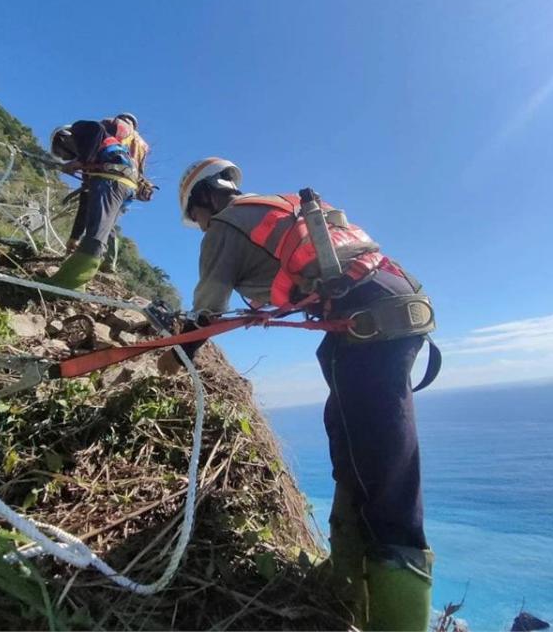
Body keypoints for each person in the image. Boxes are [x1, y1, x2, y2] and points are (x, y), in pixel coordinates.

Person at [157, 157, 437, 632]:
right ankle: (348, 585)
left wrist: (174, 355)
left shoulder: (224, 226)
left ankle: (395, 617)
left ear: (204, 198)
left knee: (387, 480)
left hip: (371, 327)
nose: (199, 225)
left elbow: (208, 311)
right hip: (386, 314)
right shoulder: (283, 211)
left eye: (195, 214)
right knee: (349, 444)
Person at [45, 113, 150, 290]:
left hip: (111, 177)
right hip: (127, 183)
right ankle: (85, 276)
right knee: (101, 227)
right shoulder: (136, 145)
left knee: (96, 233)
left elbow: (96, 129)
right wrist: (74, 237)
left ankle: (69, 284)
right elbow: (86, 201)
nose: (68, 155)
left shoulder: (81, 129)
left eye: (65, 151)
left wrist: (78, 162)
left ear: (64, 136)